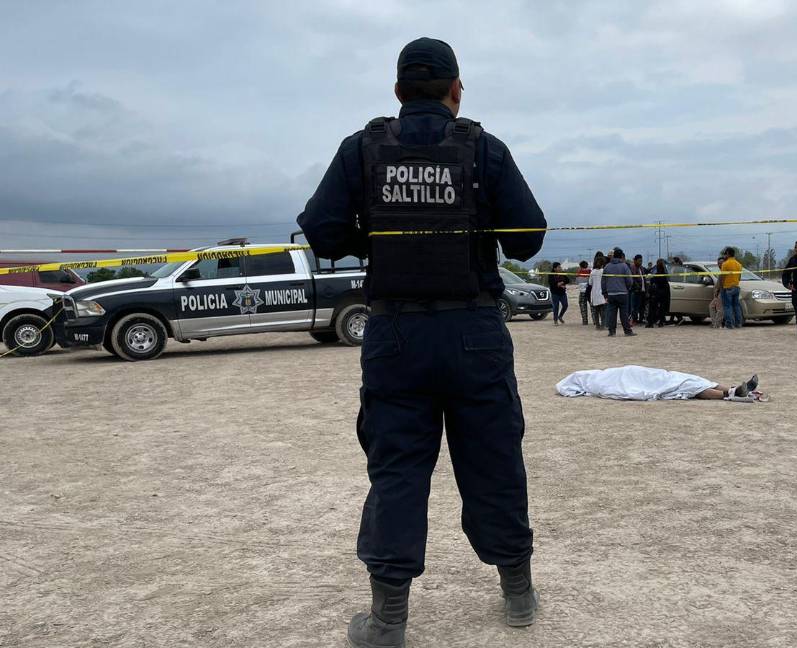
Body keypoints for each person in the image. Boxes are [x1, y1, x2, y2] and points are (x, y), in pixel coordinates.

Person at [296, 37, 544, 647]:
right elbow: (528, 239)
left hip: (396, 334)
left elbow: (322, 230)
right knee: (493, 460)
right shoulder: (483, 148)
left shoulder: (362, 149)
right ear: (456, 90)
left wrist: (377, 240)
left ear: (399, 90)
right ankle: (517, 593)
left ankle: (387, 622)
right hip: (474, 332)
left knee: (398, 470)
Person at [556, 366, 760, 401]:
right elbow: (618, 389)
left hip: (641, 373)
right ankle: (730, 394)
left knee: (688, 379)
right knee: (686, 387)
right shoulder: (596, 383)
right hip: (637, 378)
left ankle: (734, 389)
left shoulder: (597, 376)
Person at [602, 248, 635, 337]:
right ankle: (627, 331)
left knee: (611, 313)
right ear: (621, 256)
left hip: (611, 294)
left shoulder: (607, 267)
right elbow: (629, 281)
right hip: (623, 293)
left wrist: (605, 293)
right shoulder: (624, 266)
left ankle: (612, 331)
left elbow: (603, 281)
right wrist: (627, 288)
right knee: (624, 313)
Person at [719, 246, 743, 329]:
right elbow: (739, 277)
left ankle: (729, 324)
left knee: (727, 306)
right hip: (736, 287)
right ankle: (738, 323)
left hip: (727, 288)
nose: (724, 255)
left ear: (728, 254)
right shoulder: (739, 264)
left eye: (725, 254)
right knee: (736, 306)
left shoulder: (725, 264)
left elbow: (722, 277)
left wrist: (721, 287)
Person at [646, 258, 670, 328]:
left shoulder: (655, 273)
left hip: (656, 292)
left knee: (652, 307)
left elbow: (652, 281)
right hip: (663, 292)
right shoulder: (665, 273)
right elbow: (666, 282)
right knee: (662, 307)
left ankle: (651, 323)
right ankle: (661, 322)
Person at [629, 254, 648, 326]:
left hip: (642, 291)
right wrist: (638, 287)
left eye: (641, 261)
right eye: (639, 261)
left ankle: (640, 319)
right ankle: (634, 320)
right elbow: (633, 279)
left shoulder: (641, 268)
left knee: (641, 306)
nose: (641, 262)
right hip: (636, 290)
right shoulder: (633, 268)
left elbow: (644, 279)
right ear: (635, 260)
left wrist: (645, 289)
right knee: (634, 306)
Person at [667, 256, 685, 326]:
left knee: (675, 304)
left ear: (676, 262)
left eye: (673, 261)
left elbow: (675, 278)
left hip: (677, 287)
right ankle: (672, 319)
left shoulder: (678, 269)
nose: (671, 262)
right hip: (674, 286)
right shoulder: (675, 268)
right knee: (673, 304)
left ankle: (679, 318)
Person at [589, 256, 607, 330]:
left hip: (594, 293)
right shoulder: (604, 271)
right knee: (603, 311)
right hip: (602, 293)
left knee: (596, 311)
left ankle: (597, 325)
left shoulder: (592, 272)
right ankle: (603, 325)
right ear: (603, 264)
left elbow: (590, 283)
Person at [576, 260, 591, 325]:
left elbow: (577, 282)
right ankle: (594, 320)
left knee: (583, 307)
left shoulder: (578, 273)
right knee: (593, 307)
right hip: (589, 291)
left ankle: (585, 321)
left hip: (582, 291)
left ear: (580, 266)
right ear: (587, 265)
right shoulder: (590, 272)